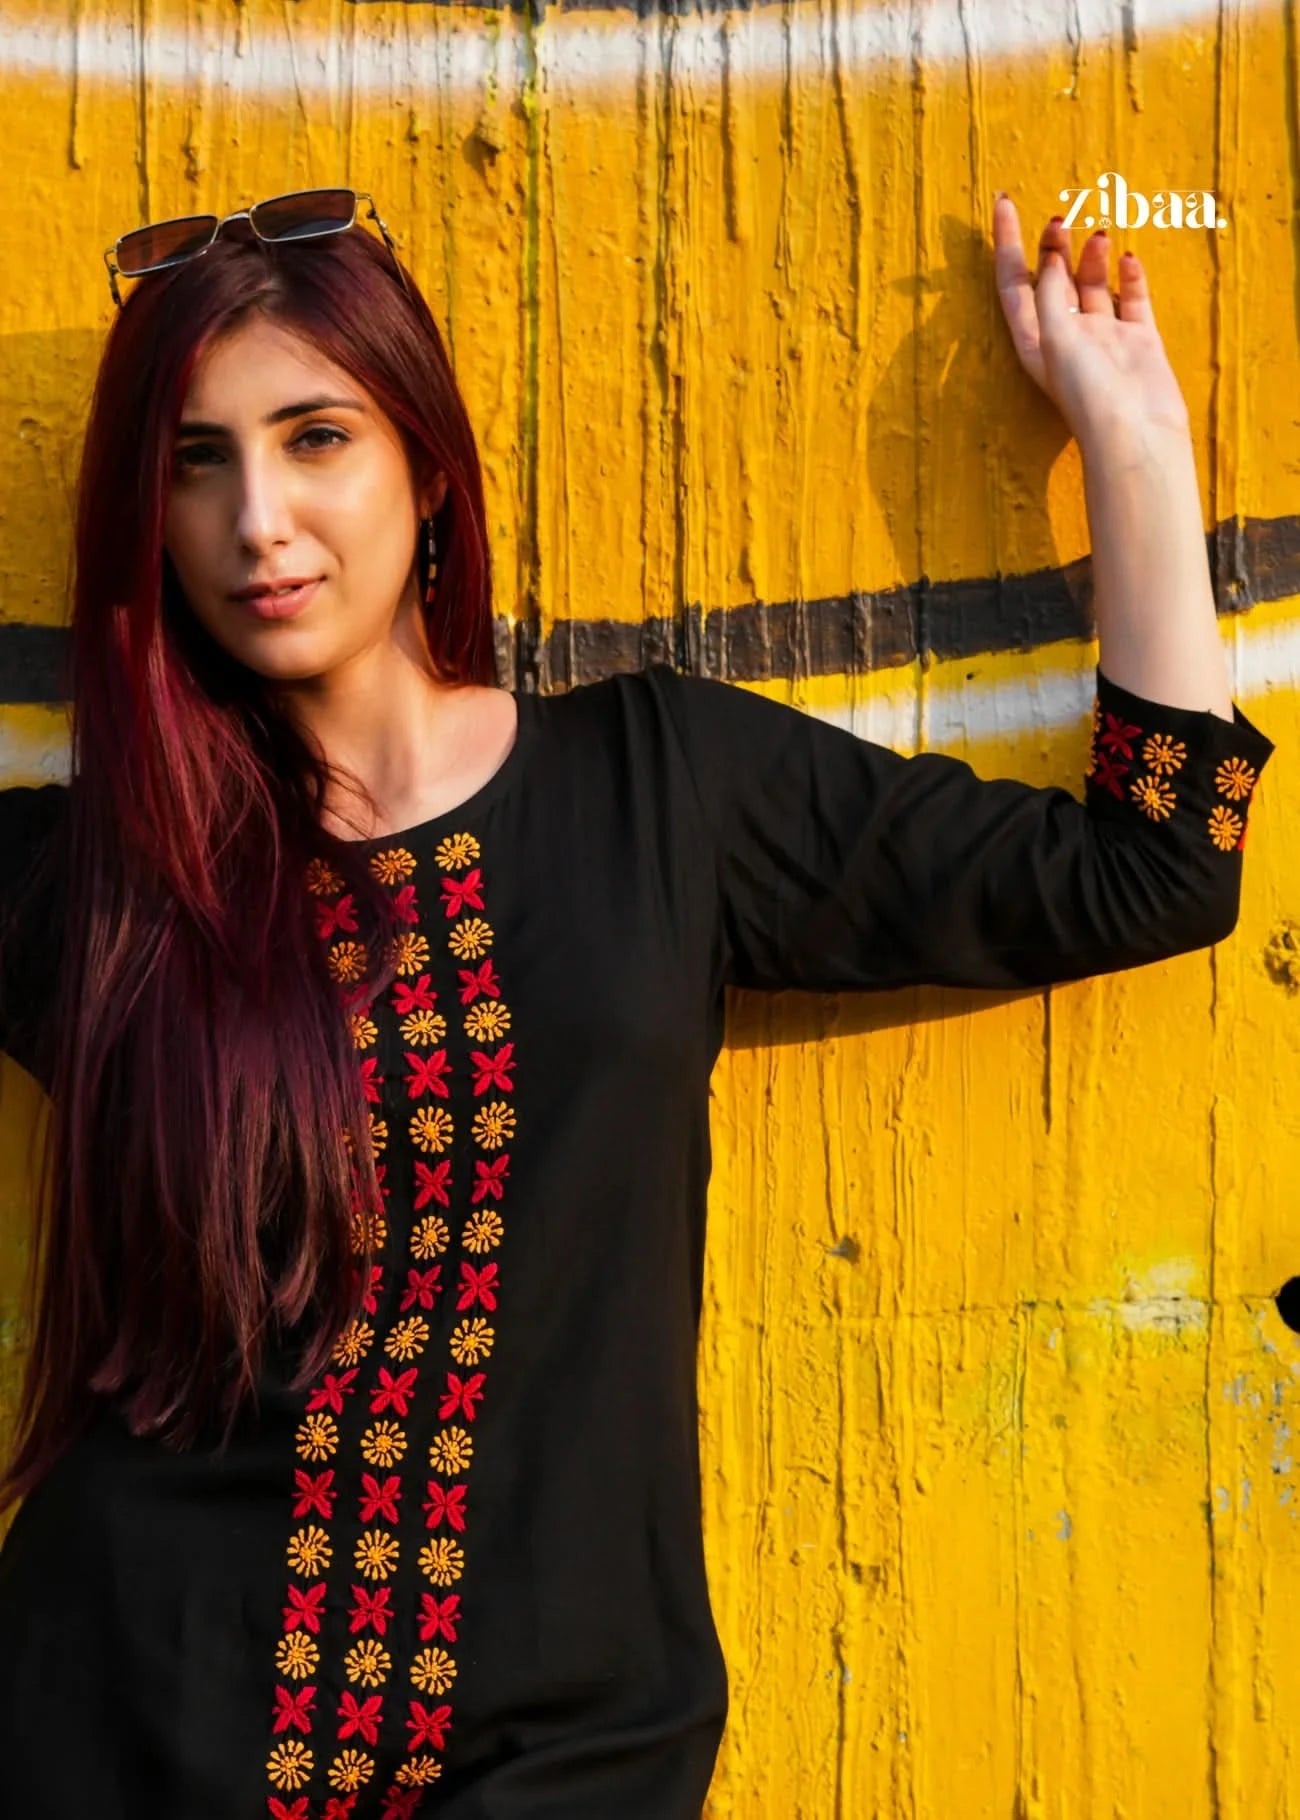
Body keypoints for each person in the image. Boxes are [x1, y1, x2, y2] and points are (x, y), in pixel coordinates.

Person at [0, 187, 1276, 1818]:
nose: (258, 518)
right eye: (196, 461)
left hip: (562, 1760)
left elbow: (1153, 868)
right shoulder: (99, 884)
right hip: (120, 1734)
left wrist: (1136, 438)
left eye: (315, 437)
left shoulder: (664, 783)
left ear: (423, 462)